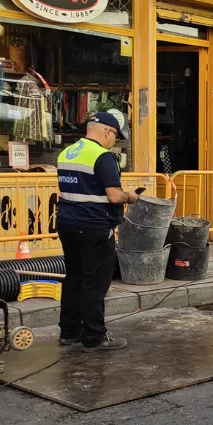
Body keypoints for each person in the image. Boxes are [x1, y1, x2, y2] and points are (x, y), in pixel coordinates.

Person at [56, 112, 139, 351]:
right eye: (115, 136)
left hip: (67, 224)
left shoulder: (66, 153)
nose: (114, 141)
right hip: (94, 226)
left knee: (74, 278)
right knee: (95, 282)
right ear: (107, 131)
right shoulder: (102, 156)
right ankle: (94, 336)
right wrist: (130, 196)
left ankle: (69, 332)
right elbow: (114, 196)